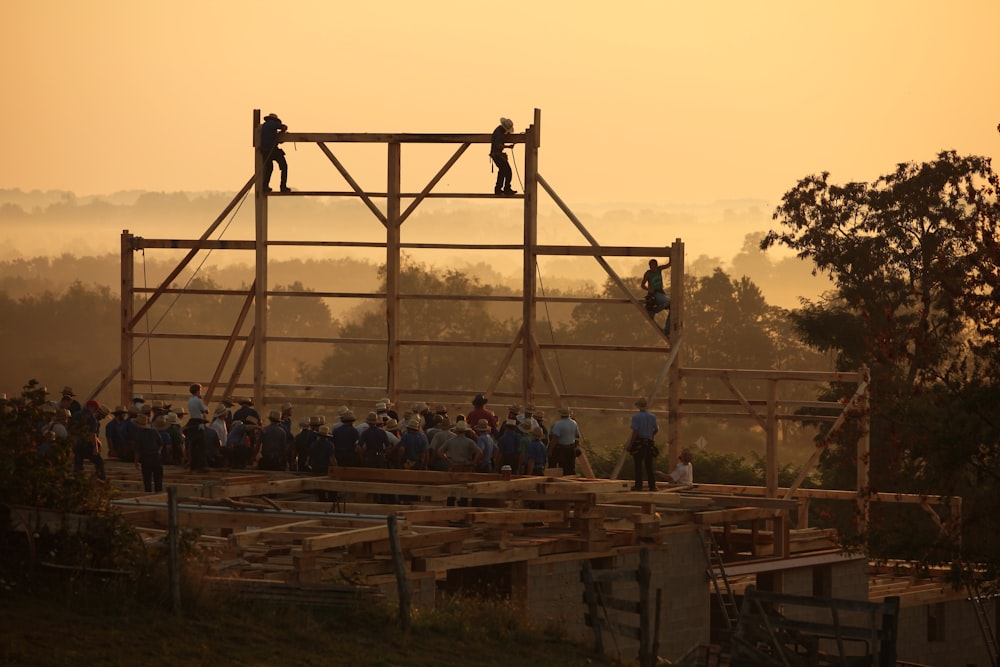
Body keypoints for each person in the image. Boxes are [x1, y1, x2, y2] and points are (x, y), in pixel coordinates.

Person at [627, 397, 659, 492]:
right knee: (649, 465)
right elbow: (656, 429)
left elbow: (635, 431)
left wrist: (630, 444)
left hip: (639, 442)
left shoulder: (636, 417)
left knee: (638, 465)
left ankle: (638, 486)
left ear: (638, 406)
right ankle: (652, 486)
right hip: (648, 442)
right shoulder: (652, 417)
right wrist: (651, 436)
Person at [70, 400, 107, 481]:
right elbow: (92, 434)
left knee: (78, 461)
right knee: (99, 462)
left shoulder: (76, 415)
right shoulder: (92, 418)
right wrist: (95, 447)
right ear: (92, 408)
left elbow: (71, 430)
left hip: (76, 443)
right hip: (87, 444)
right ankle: (101, 477)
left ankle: (77, 478)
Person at [259, 113, 290, 193]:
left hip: (265, 151)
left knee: (269, 168)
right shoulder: (271, 124)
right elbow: (282, 126)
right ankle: (283, 187)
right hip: (272, 150)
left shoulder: (265, 127)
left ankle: (265, 186)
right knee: (284, 166)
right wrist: (283, 128)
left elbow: (274, 139)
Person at [133, 414, 164, 493]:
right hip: (156, 457)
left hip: (146, 458)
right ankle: (159, 496)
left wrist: (136, 462)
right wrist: (158, 452)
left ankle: (149, 496)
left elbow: (138, 451)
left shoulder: (139, 435)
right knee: (158, 479)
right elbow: (161, 444)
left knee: (147, 481)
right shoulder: (154, 431)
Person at [640, 258, 672, 335]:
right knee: (667, 300)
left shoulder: (659, 269)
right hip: (653, 294)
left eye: (654, 266)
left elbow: (669, 264)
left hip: (660, 291)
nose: (652, 268)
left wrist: (670, 254)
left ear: (656, 266)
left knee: (672, 307)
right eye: (651, 266)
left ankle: (667, 329)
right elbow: (642, 285)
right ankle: (653, 311)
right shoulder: (648, 273)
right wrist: (649, 289)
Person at [548, 406, 581, 476]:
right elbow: (577, 436)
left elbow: (555, 438)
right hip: (571, 449)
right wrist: (576, 446)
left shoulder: (558, 424)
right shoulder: (574, 423)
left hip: (561, 449)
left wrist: (550, 450)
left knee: (561, 468)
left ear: (560, 415)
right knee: (570, 468)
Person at [490, 117, 516, 196]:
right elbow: (498, 145)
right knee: (508, 171)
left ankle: (498, 189)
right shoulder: (499, 134)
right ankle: (506, 188)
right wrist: (508, 147)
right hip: (497, 155)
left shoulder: (498, 131)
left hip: (496, 155)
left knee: (502, 171)